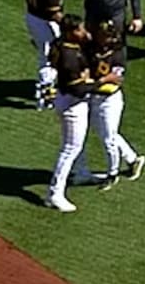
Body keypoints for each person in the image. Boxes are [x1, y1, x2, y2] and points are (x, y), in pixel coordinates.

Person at [45, 15, 120, 213]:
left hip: (65, 98)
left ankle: (81, 172)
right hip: (73, 104)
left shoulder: (60, 44)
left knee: (72, 146)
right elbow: (78, 90)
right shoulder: (70, 57)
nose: (84, 33)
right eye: (79, 30)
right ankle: (55, 193)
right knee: (70, 149)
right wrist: (104, 80)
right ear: (71, 32)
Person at [85, 19, 145, 191]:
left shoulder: (117, 54)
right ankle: (133, 160)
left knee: (108, 139)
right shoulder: (91, 48)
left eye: (105, 36)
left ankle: (112, 174)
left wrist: (91, 82)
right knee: (107, 133)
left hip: (109, 101)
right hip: (94, 98)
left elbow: (114, 83)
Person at [24, 0, 66, 110]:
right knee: (50, 58)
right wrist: (69, 26)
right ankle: (45, 95)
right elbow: (55, 15)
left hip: (32, 18)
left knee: (45, 55)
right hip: (46, 23)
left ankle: (46, 93)